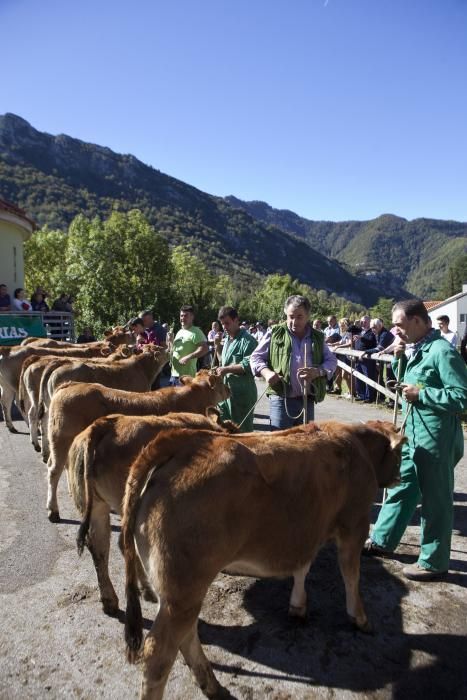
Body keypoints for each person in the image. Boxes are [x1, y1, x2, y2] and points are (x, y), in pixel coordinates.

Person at [364, 299, 467, 580]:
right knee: (402, 486)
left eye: (399, 324)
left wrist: (422, 395)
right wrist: (399, 359)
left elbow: (462, 396)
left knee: (435, 499)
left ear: (418, 321)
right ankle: (383, 540)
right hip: (414, 434)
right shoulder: (418, 349)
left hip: (436, 438)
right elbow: (404, 385)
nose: (395, 329)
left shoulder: (442, 352)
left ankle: (434, 562)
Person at [250, 295, 337, 430]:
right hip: (281, 398)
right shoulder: (275, 333)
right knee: (280, 444)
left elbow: (331, 361)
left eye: (299, 317)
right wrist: (266, 373)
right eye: (291, 316)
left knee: (305, 444)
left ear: (308, 316)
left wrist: (318, 372)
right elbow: (255, 357)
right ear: (285, 313)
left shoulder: (317, 337)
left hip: (307, 399)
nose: (294, 321)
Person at [214, 306, 258, 431]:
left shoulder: (248, 341)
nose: (224, 327)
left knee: (242, 432)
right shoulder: (227, 339)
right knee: (225, 430)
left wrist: (226, 370)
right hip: (225, 393)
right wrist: (217, 346)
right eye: (222, 324)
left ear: (236, 320)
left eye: (227, 323)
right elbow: (222, 361)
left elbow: (248, 365)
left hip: (242, 395)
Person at [170, 305, 209, 386]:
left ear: (192, 317)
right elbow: (173, 351)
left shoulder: (196, 331)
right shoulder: (179, 331)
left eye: (186, 315)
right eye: (181, 315)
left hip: (186, 377)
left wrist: (188, 357)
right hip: (174, 375)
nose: (183, 318)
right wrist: (170, 341)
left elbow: (205, 349)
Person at [354, 315, 377, 402]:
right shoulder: (360, 331)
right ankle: (361, 395)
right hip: (358, 357)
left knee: (368, 377)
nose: (363, 323)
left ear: (369, 322)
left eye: (365, 321)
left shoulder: (372, 332)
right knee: (359, 377)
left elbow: (372, 342)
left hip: (367, 358)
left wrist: (361, 338)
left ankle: (369, 397)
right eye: (362, 321)